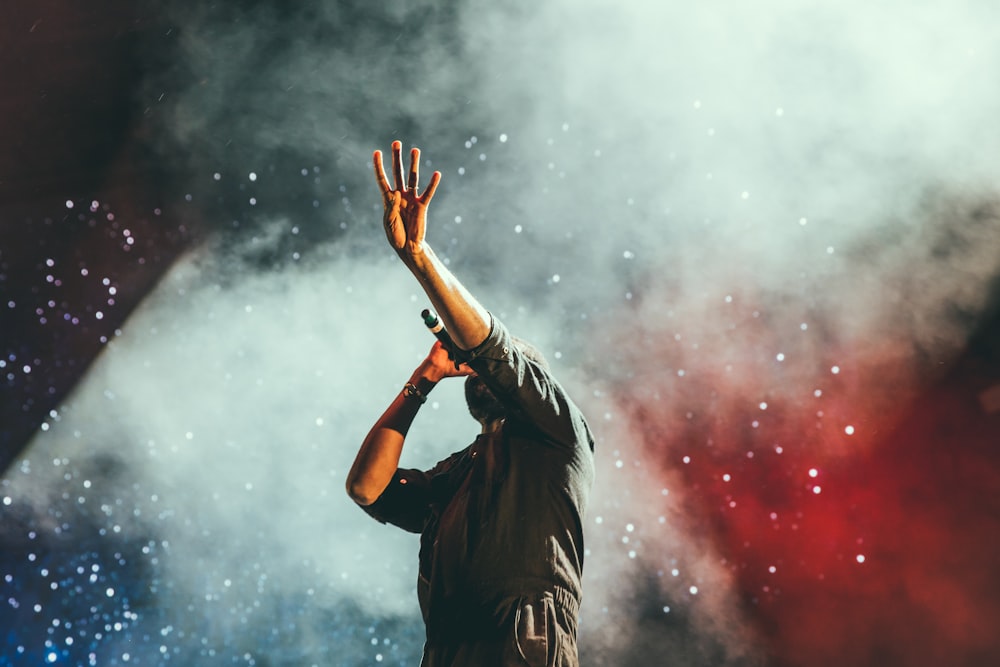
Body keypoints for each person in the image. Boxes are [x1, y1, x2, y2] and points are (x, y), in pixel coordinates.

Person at [346, 141, 595, 666]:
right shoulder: (457, 471)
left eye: (497, 367)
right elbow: (367, 488)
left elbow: (493, 347)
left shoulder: (557, 429)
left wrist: (419, 257)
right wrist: (425, 377)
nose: (478, 367)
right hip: (447, 648)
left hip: (522, 639)